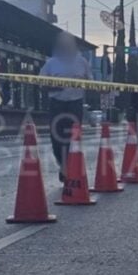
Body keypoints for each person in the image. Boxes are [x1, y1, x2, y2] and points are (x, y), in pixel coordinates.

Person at [41, 32, 92, 182]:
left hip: (75, 104)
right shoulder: (51, 63)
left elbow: (91, 82)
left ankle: (69, 169)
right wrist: (56, 87)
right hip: (57, 104)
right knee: (57, 138)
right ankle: (62, 163)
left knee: (73, 138)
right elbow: (41, 84)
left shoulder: (82, 62)